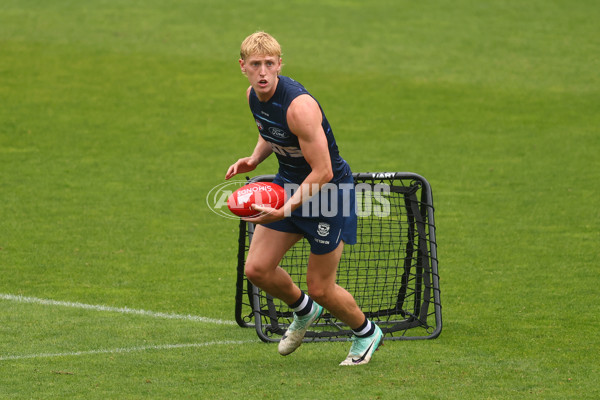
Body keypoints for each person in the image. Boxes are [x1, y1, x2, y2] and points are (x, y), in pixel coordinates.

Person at [225, 31, 383, 366]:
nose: (263, 71)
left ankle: (366, 332)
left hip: (328, 195)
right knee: (257, 269)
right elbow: (271, 131)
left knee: (322, 287)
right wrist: (254, 159)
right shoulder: (254, 96)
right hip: (290, 185)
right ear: (243, 67)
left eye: (270, 63)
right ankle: (304, 310)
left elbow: (323, 171)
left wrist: (284, 208)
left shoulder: (300, 107)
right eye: (256, 65)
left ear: (280, 64)